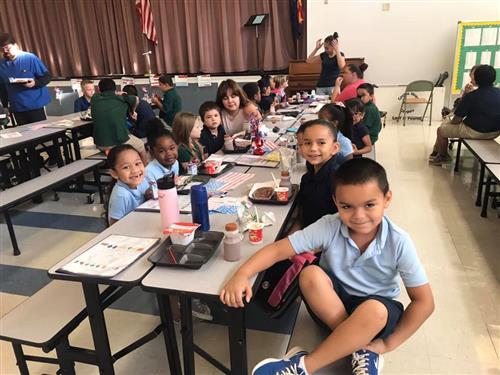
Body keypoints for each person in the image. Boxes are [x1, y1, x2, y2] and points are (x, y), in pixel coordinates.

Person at [221, 158, 435, 375]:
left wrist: (388, 344)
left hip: (376, 317)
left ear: (387, 198)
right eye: (347, 206)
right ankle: (360, 350)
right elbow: (278, 250)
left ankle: (303, 365)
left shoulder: (399, 241)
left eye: (369, 205)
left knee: (374, 310)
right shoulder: (329, 225)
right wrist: (243, 273)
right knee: (310, 273)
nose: (359, 216)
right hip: (331, 309)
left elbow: (424, 302)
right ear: (336, 201)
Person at [430, 64, 500, 166]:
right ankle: (437, 150)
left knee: (441, 130)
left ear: (476, 78)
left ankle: (442, 156)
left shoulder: (472, 96)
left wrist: (451, 123)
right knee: (446, 124)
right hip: (494, 132)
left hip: (474, 131)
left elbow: (457, 119)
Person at [289, 119, 341, 234]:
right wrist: (288, 240)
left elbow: (344, 226)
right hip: (307, 237)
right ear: (300, 147)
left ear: (335, 148)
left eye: (321, 143)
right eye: (307, 143)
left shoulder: (338, 180)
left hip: (326, 245)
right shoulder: (307, 178)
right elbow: (302, 218)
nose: (313, 148)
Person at [90, 78, 148, 164]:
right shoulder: (122, 98)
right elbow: (136, 99)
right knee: (140, 145)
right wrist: (133, 110)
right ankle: (145, 168)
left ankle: (114, 155)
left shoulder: (94, 99)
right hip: (119, 141)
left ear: (98, 89)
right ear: (115, 89)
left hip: (100, 144)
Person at [0, 33, 51, 125]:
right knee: (25, 137)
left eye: (7, 48)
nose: (5, 51)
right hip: (17, 107)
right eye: (2, 49)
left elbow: (47, 77)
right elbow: (2, 87)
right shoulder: (1, 65)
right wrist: (5, 106)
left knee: (40, 135)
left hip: (35, 106)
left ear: (16, 45)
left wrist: (35, 83)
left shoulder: (30, 58)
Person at [107, 144, 149, 225]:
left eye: (137, 163)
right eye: (126, 167)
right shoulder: (121, 195)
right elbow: (114, 226)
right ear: (114, 173)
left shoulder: (142, 181)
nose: (135, 170)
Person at [144, 118, 179, 187]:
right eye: (161, 151)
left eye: (172, 148)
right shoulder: (149, 172)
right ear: (152, 153)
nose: (169, 154)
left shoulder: (175, 163)